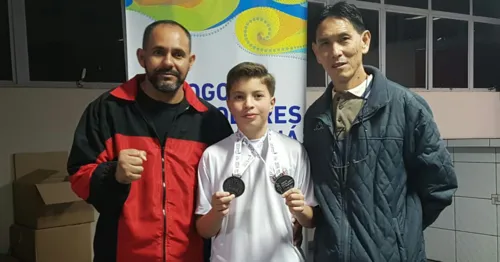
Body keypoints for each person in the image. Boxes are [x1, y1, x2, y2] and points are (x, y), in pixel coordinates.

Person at [66, 20, 233, 262]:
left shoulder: (210, 122)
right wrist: (114, 174)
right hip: (121, 254)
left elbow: (228, 187)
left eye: (178, 54)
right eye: (158, 52)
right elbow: (78, 174)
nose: (168, 62)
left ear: (190, 61)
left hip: (191, 256)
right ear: (141, 57)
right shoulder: (108, 110)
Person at [304, 2, 458, 262]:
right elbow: (320, 194)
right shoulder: (315, 118)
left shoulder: (406, 107)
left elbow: (439, 186)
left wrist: (399, 233)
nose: (336, 52)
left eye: (344, 39)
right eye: (325, 44)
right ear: (317, 53)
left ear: (364, 41)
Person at [194, 62, 317, 262]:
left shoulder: (294, 150)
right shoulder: (213, 155)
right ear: (228, 103)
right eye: (239, 97)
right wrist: (216, 212)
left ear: (272, 102)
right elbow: (204, 230)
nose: (248, 104)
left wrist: (300, 209)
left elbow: (311, 220)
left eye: (258, 96)